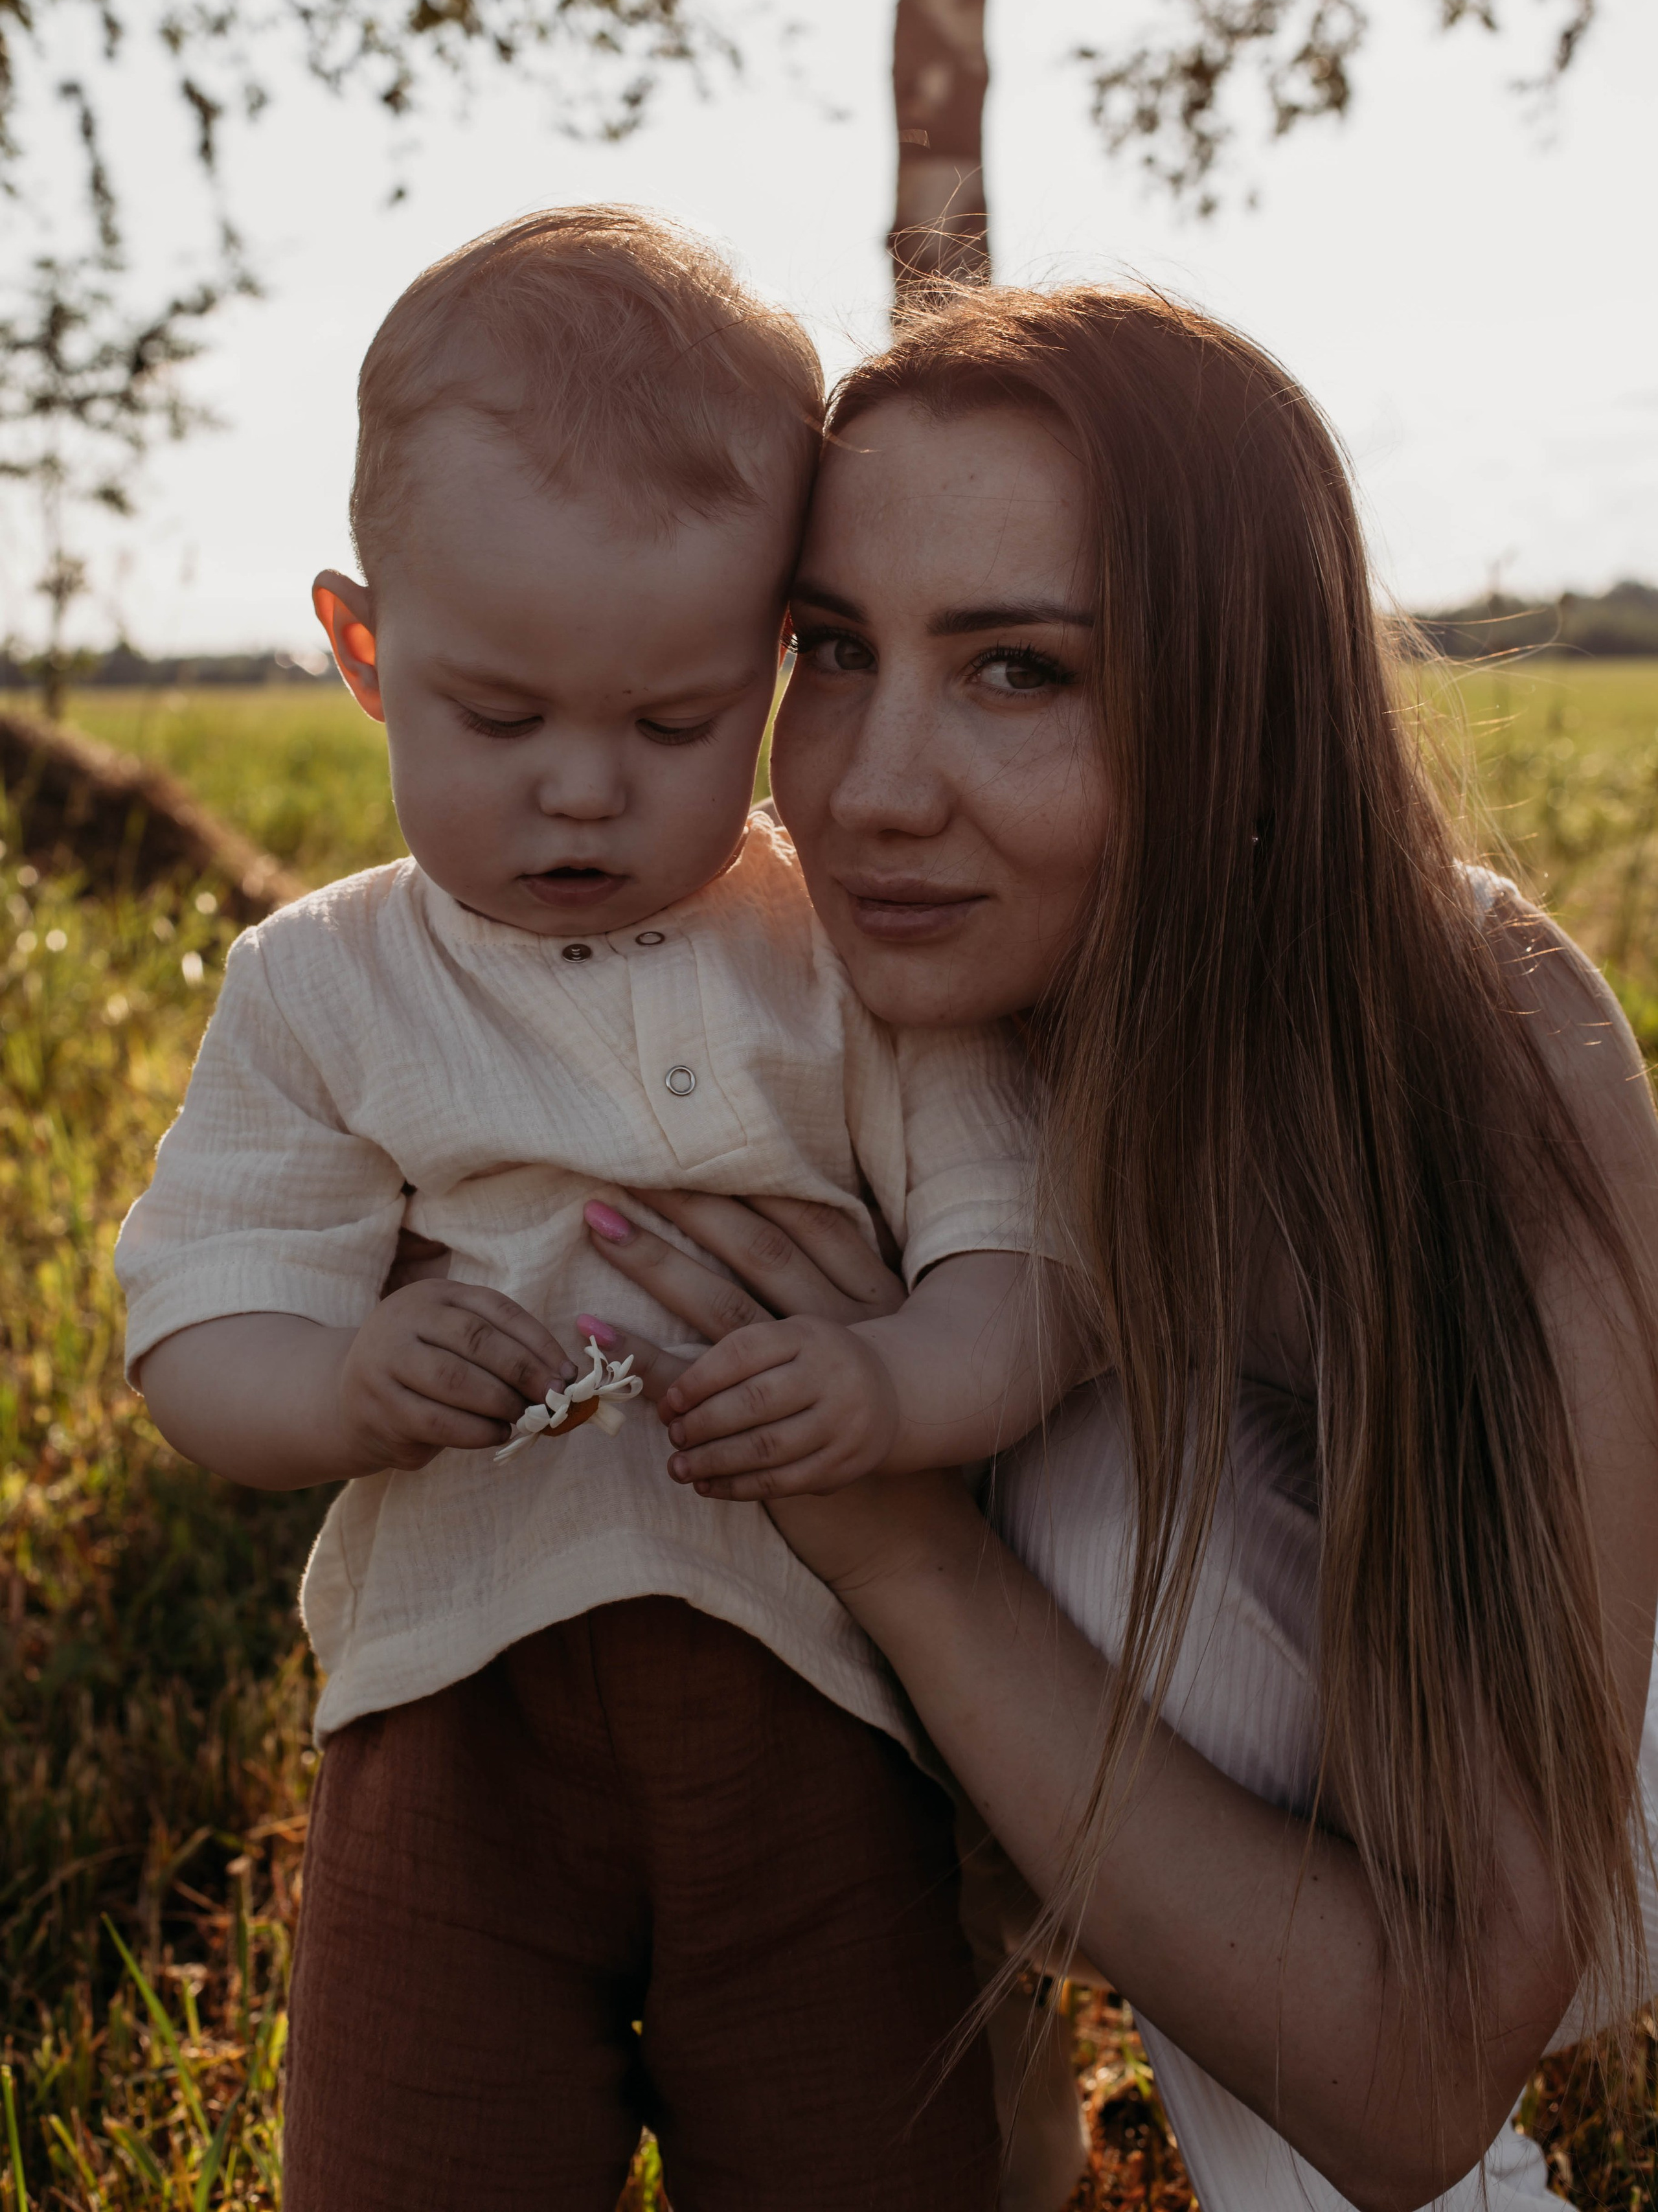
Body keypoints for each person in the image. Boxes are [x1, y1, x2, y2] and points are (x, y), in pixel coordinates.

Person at [582, 282, 1658, 2212]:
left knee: (1085, 1506)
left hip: (1599, 1757)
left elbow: (1445, 2035)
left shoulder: (1465, 1048)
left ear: (1243, 710)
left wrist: (898, 1534)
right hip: (1240, 1779)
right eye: (833, 648)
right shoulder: (765, 984)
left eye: (1022, 672)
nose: (869, 789)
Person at [115, 211, 1089, 2211]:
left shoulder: (845, 956)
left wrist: (896, 1393)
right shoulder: (324, 986)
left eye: (671, 729)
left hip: (822, 1714)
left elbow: (1019, 1264)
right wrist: (347, 1380)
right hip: (449, 1714)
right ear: (365, 650)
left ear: (769, 669)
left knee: (869, 2151)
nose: (582, 793)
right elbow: (197, 1330)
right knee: (415, 2150)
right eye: (500, 721)